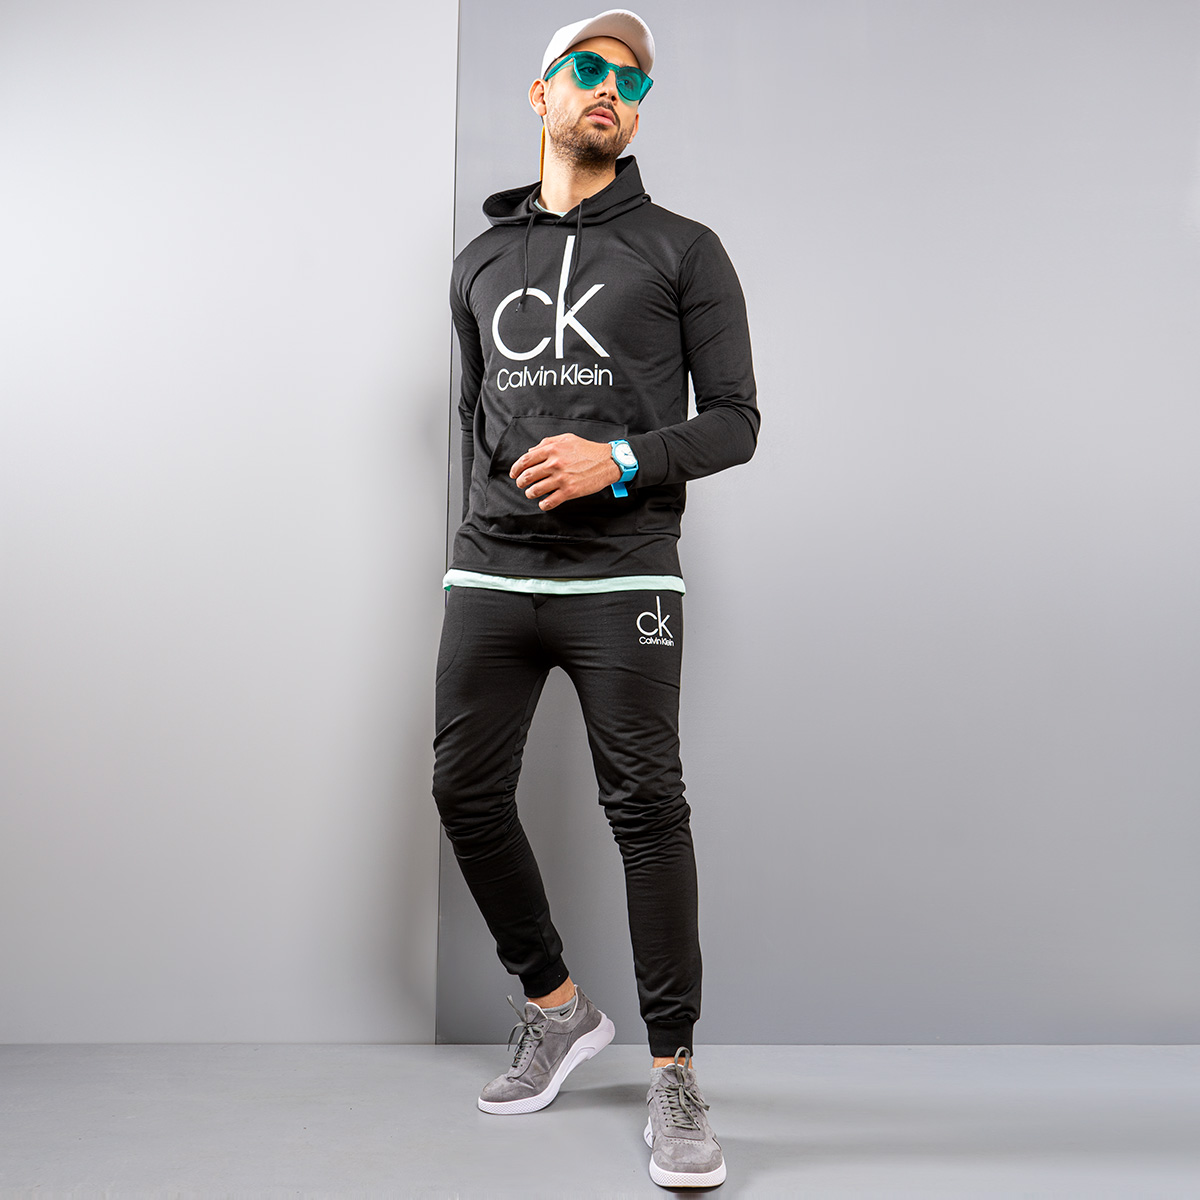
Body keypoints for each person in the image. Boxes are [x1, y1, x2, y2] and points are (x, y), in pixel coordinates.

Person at [432, 8, 758, 1189]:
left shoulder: (684, 249)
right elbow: (475, 417)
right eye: (587, 68)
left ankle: (674, 1074)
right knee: (463, 792)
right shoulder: (479, 263)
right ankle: (556, 1004)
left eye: (632, 80)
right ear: (542, 95)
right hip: (492, 569)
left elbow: (737, 423)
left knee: (646, 810)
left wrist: (617, 460)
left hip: (624, 576)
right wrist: (487, 526)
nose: (611, 87)